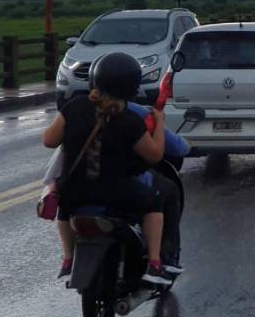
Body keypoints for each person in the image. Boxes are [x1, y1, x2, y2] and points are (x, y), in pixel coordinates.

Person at [42, 52, 170, 287]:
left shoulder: (75, 107)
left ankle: (68, 260)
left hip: (75, 192)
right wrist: (159, 124)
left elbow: (49, 140)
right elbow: (155, 155)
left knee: (64, 203)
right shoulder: (129, 120)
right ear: (132, 87)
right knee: (155, 202)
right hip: (115, 192)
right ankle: (154, 264)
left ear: (95, 78)